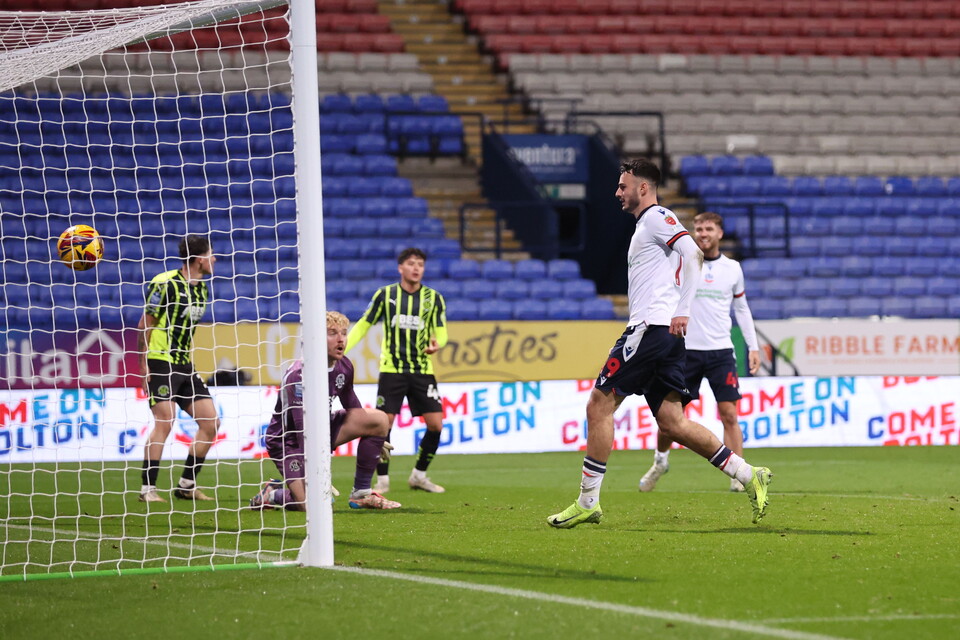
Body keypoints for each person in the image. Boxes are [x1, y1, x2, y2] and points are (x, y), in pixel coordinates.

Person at [547, 159, 772, 529]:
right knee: (673, 422)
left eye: (623, 186)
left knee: (598, 406)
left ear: (643, 188)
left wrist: (683, 309)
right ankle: (748, 474)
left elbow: (692, 252)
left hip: (650, 329)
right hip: (664, 335)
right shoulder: (645, 226)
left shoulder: (657, 217)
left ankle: (587, 502)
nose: (617, 192)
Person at [639, 211, 762, 493]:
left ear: (720, 233)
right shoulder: (681, 262)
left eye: (708, 229)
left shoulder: (733, 269)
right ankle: (660, 461)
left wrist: (753, 346)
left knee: (729, 414)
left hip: (721, 352)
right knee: (670, 417)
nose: (703, 234)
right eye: (699, 229)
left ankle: (738, 475)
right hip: (685, 351)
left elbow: (741, 309)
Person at [250, 311, 400, 511]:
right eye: (332, 333)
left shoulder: (344, 366)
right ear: (316, 338)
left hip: (323, 427)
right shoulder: (299, 375)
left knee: (379, 419)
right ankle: (272, 495)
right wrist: (318, 474)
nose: (341, 339)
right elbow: (302, 430)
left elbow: (353, 407)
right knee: (311, 505)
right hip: (289, 442)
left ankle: (361, 494)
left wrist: (374, 437)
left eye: (344, 333)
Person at [345, 247, 448, 494]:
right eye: (411, 263)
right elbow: (364, 324)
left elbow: (441, 330)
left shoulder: (434, 298)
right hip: (392, 369)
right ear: (400, 267)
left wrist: (438, 344)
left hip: (422, 370)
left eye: (420, 264)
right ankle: (382, 480)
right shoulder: (385, 295)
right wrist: (343, 349)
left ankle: (419, 475)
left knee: (436, 425)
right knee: (383, 423)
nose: (416, 268)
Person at [138, 235, 218, 503]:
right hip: (160, 360)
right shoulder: (164, 283)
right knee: (165, 421)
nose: (214, 259)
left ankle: (186, 485)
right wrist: (144, 365)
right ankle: (147, 489)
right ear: (199, 259)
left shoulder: (202, 289)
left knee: (211, 422)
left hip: (185, 363)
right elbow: (145, 325)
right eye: (210, 254)